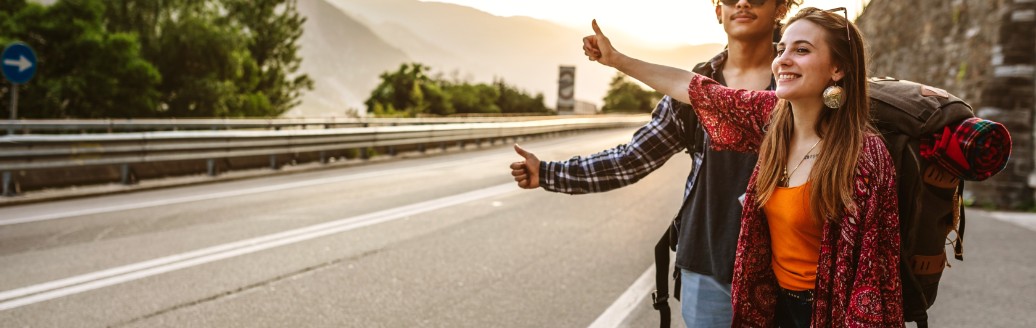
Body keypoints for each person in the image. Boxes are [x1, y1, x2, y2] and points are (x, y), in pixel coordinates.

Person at [581, 7, 903, 327]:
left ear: (837, 68)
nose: (783, 60)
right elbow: (694, 89)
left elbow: (874, 277)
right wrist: (617, 60)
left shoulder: (864, 156)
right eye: (782, 50)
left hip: (828, 312)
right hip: (768, 306)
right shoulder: (771, 118)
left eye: (801, 50)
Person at [509, 0, 800, 326]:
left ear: (780, 7)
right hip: (707, 270)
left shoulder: (800, 78)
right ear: (719, 11)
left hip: (790, 271)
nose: (743, 2)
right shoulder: (690, 89)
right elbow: (632, 158)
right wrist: (549, 173)